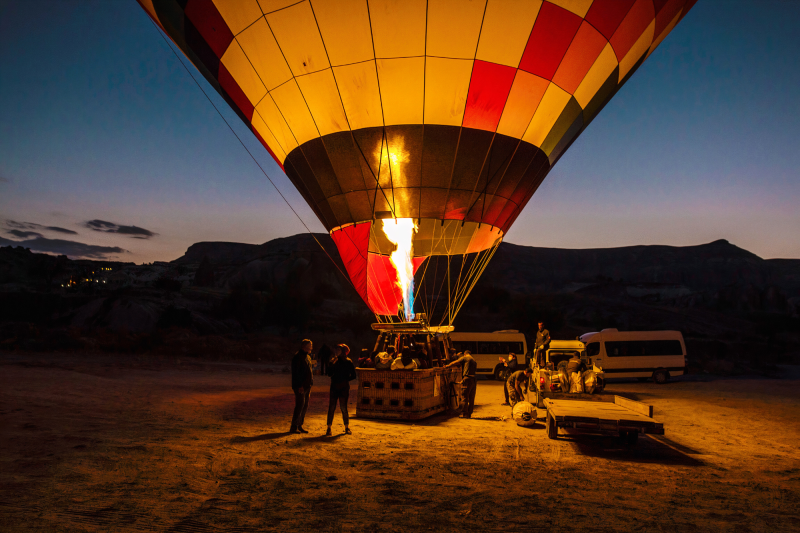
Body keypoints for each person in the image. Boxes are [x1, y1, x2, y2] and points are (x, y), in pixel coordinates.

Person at [326, 344, 356, 436]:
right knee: (331, 407)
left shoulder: (348, 362)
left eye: (338, 350)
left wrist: (345, 379)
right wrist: (331, 365)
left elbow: (353, 375)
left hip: (343, 387)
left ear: (343, 351)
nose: (336, 352)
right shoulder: (334, 361)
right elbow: (329, 374)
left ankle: (346, 427)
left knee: (343, 407)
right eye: (336, 350)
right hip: (334, 386)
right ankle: (328, 428)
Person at [290, 339, 314, 434]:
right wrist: (299, 385)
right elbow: (296, 373)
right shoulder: (298, 357)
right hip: (300, 386)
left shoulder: (307, 357)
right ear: (304, 347)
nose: (311, 347)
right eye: (309, 346)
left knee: (304, 405)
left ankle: (299, 424)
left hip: (307, 385)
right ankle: (294, 426)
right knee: (299, 405)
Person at [445, 350, 477, 418]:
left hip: (467, 379)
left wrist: (448, 366)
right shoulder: (473, 360)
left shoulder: (465, 358)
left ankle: (464, 413)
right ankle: (469, 413)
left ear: (465, 354)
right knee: (471, 398)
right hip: (473, 380)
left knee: (464, 397)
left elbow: (455, 362)